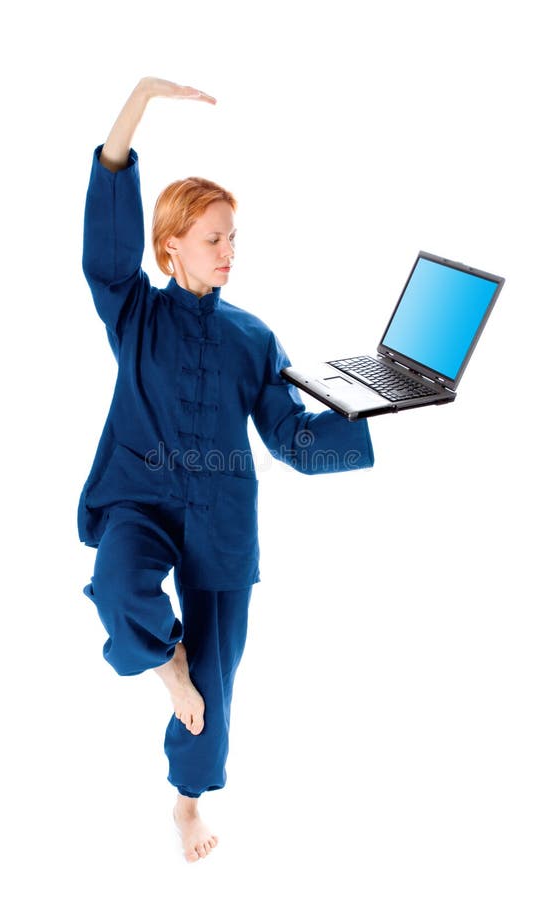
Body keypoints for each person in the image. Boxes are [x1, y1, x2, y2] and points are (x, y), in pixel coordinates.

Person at [78, 76, 375, 863]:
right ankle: (160, 660)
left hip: (220, 519)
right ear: (171, 243)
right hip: (139, 499)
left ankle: (186, 806)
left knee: (212, 696)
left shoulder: (254, 337)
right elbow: (107, 223)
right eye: (214, 239)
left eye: (235, 237)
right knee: (118, 585)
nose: (229, 253)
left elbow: (295, 442)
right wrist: (139, 100)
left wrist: (375, 416)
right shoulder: (132, 309)